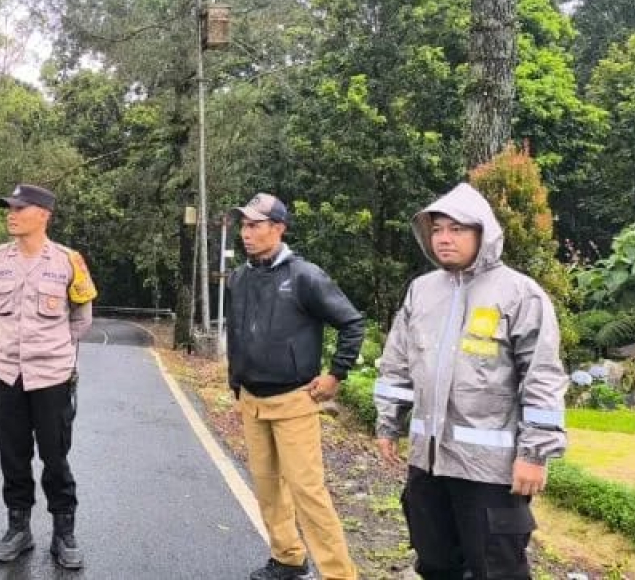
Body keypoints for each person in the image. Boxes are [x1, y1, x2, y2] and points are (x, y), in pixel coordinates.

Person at [374, 183, 568, 580]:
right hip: (428, 467)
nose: (444, 238)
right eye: (437, 229)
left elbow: (543, 377)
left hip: (489, 473)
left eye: (457, 229)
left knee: (497, 571)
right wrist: (387, 423)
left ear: (484, 232)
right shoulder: (422, 291)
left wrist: (534, 454)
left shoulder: (519, 294)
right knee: (435, 564)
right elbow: (396, 363)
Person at [225, 192, 364, 580]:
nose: (246, 233)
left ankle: (340, 574)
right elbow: (237, 334)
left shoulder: (305, 276)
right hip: (252, 400)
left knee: (308, 493)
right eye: (244, 225)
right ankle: (288, 558)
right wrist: (235, 381)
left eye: (255, 225)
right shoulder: (240, 277)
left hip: (295, 400)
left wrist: (335, 374)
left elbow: (351, 323)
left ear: (279, 228)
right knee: (267, 489)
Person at [0, 183, 97, 570]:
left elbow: (82, 318)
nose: (10, 214)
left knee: (54, 455)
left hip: (52, 377)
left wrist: (51, 350)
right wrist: (9, 347)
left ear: (44, 215)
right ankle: (19, 528)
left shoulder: (68, 261)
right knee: (13, 455)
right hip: (8, 374)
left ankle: (64, 531)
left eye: (19, 208)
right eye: (8, 208)